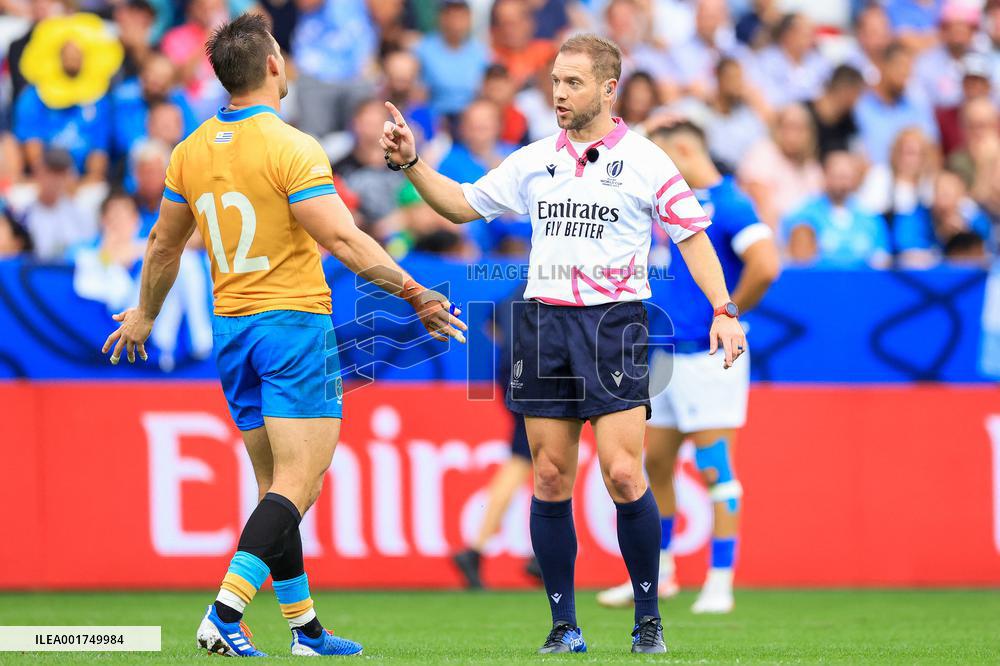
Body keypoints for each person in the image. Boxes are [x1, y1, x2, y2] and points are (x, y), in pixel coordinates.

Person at [99, 14, 466, 657]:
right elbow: (342, 237)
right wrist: (415, 291)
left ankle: (303, 627)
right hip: (293, 323)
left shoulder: (188, 150)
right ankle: (225, 612)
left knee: (278, 488)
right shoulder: (292, 145)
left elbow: (162, 246)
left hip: (233, 330)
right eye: (282, 54)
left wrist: (144, 314)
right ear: (272, 66)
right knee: (302, 482)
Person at [380, 32, 747, 655]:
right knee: (549, 476)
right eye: (554, 81)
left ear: (609, 88)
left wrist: (724, 309)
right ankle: (563, 625)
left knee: (625, 474)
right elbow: (462, 206)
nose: (558, 93)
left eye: (572, 82)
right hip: (544, 324)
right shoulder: (532, 160)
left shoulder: (649, 161)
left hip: (614, 325)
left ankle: (648, 619)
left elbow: (693, 238)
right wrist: (413, 163)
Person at [597, 119, 779, 614]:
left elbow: (766, 264)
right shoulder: (668, 204)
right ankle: (665, 572)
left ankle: (720, 581)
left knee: (715, 467)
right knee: (653, 464)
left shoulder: (732, 203)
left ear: (682, 149)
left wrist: (729, 316)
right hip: (661, 356)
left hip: (707, 358)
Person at [784, 151, 892, 268]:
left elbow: (882, 258)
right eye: (836, 176)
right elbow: (797, 259)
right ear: (825, 175)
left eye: (846, 177)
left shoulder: (870, 218)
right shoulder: (805, 215)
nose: (841, 184)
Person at [738, 104, 823, 229]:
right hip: (764, 232)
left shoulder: (812, 168)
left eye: (799, 129)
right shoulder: (764, 152)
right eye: (787, 127)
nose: (792, 135)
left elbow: (817, 213)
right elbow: (762, 206)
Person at [855, 41, 939, 165]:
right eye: (900, 66)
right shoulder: (860, 106)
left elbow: (933, 152)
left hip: (909, 180)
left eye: (909, 68)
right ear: (882, 65)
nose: (905, 74)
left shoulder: (917, 108)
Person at [413, 0, 488, 122]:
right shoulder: (423, 49)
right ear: (441, 18)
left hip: (470, 121)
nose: (456, 23)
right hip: (435, 119)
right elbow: (417, 94)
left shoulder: (480, 52)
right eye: (452, 16)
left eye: (461, 17)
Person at [805, 64, 865, 160]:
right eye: (858, 94)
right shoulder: (803, 113)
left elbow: (859, 155)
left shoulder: (848, 123)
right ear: (847, 92)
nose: (858, 101)